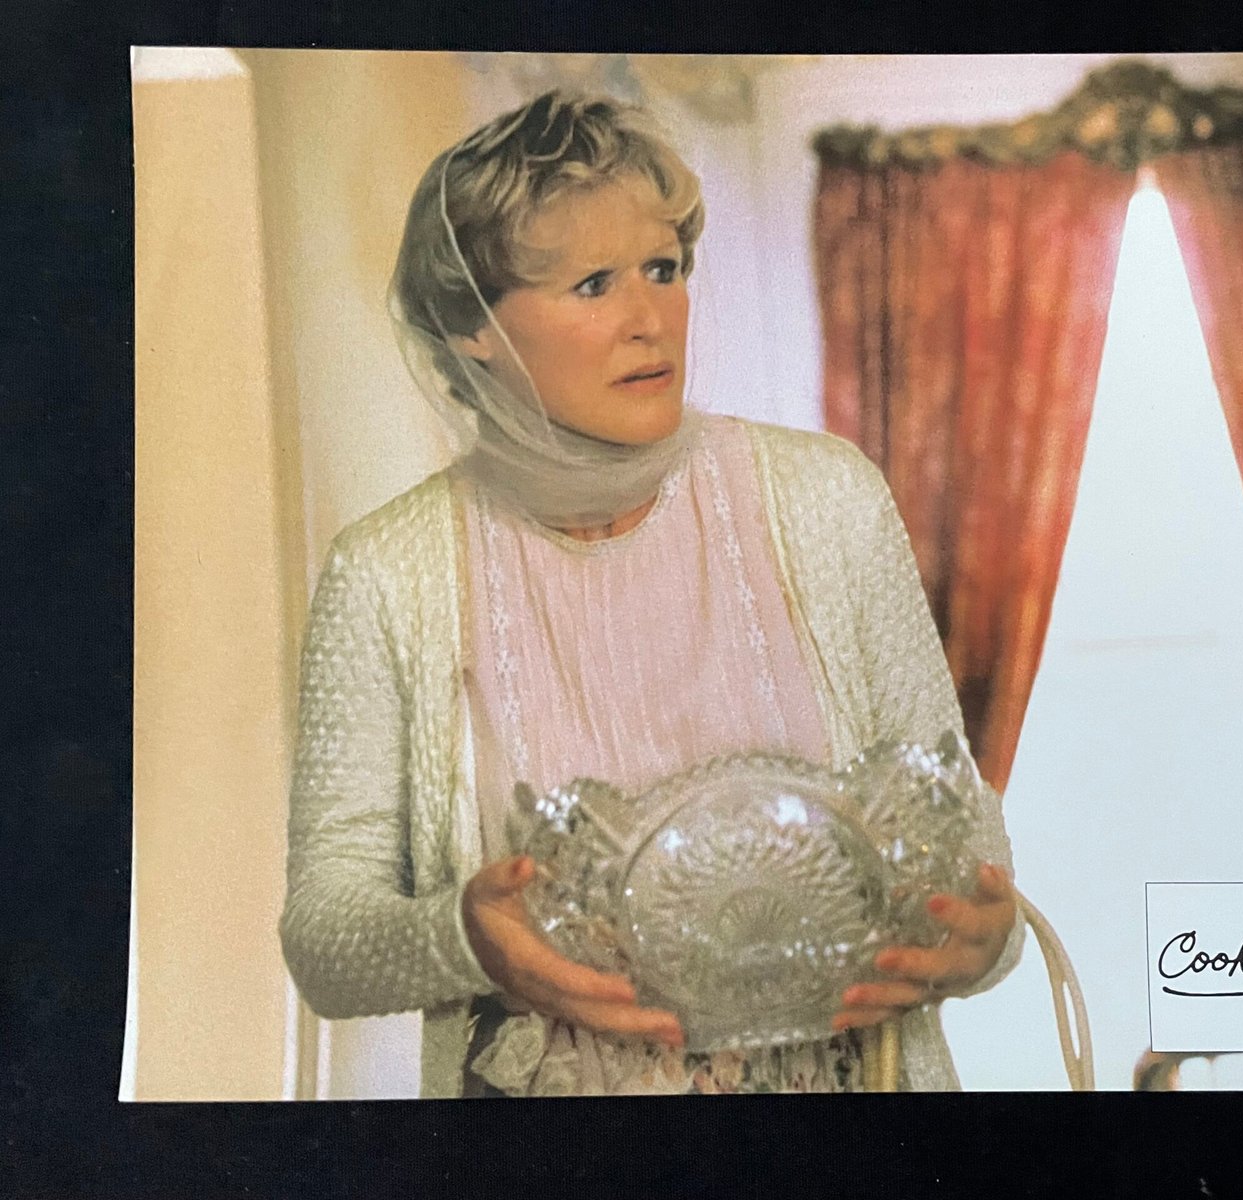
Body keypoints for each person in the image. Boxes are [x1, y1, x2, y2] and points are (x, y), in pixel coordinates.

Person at [280, 90, 1024, 1097]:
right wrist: (461, 937)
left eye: (664, 270)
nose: (650, 320)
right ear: (474, 329)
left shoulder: (826, 496)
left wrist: (984, 936)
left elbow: (962, 832)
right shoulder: (386, 572)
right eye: (593, 284)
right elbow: (323, 939)